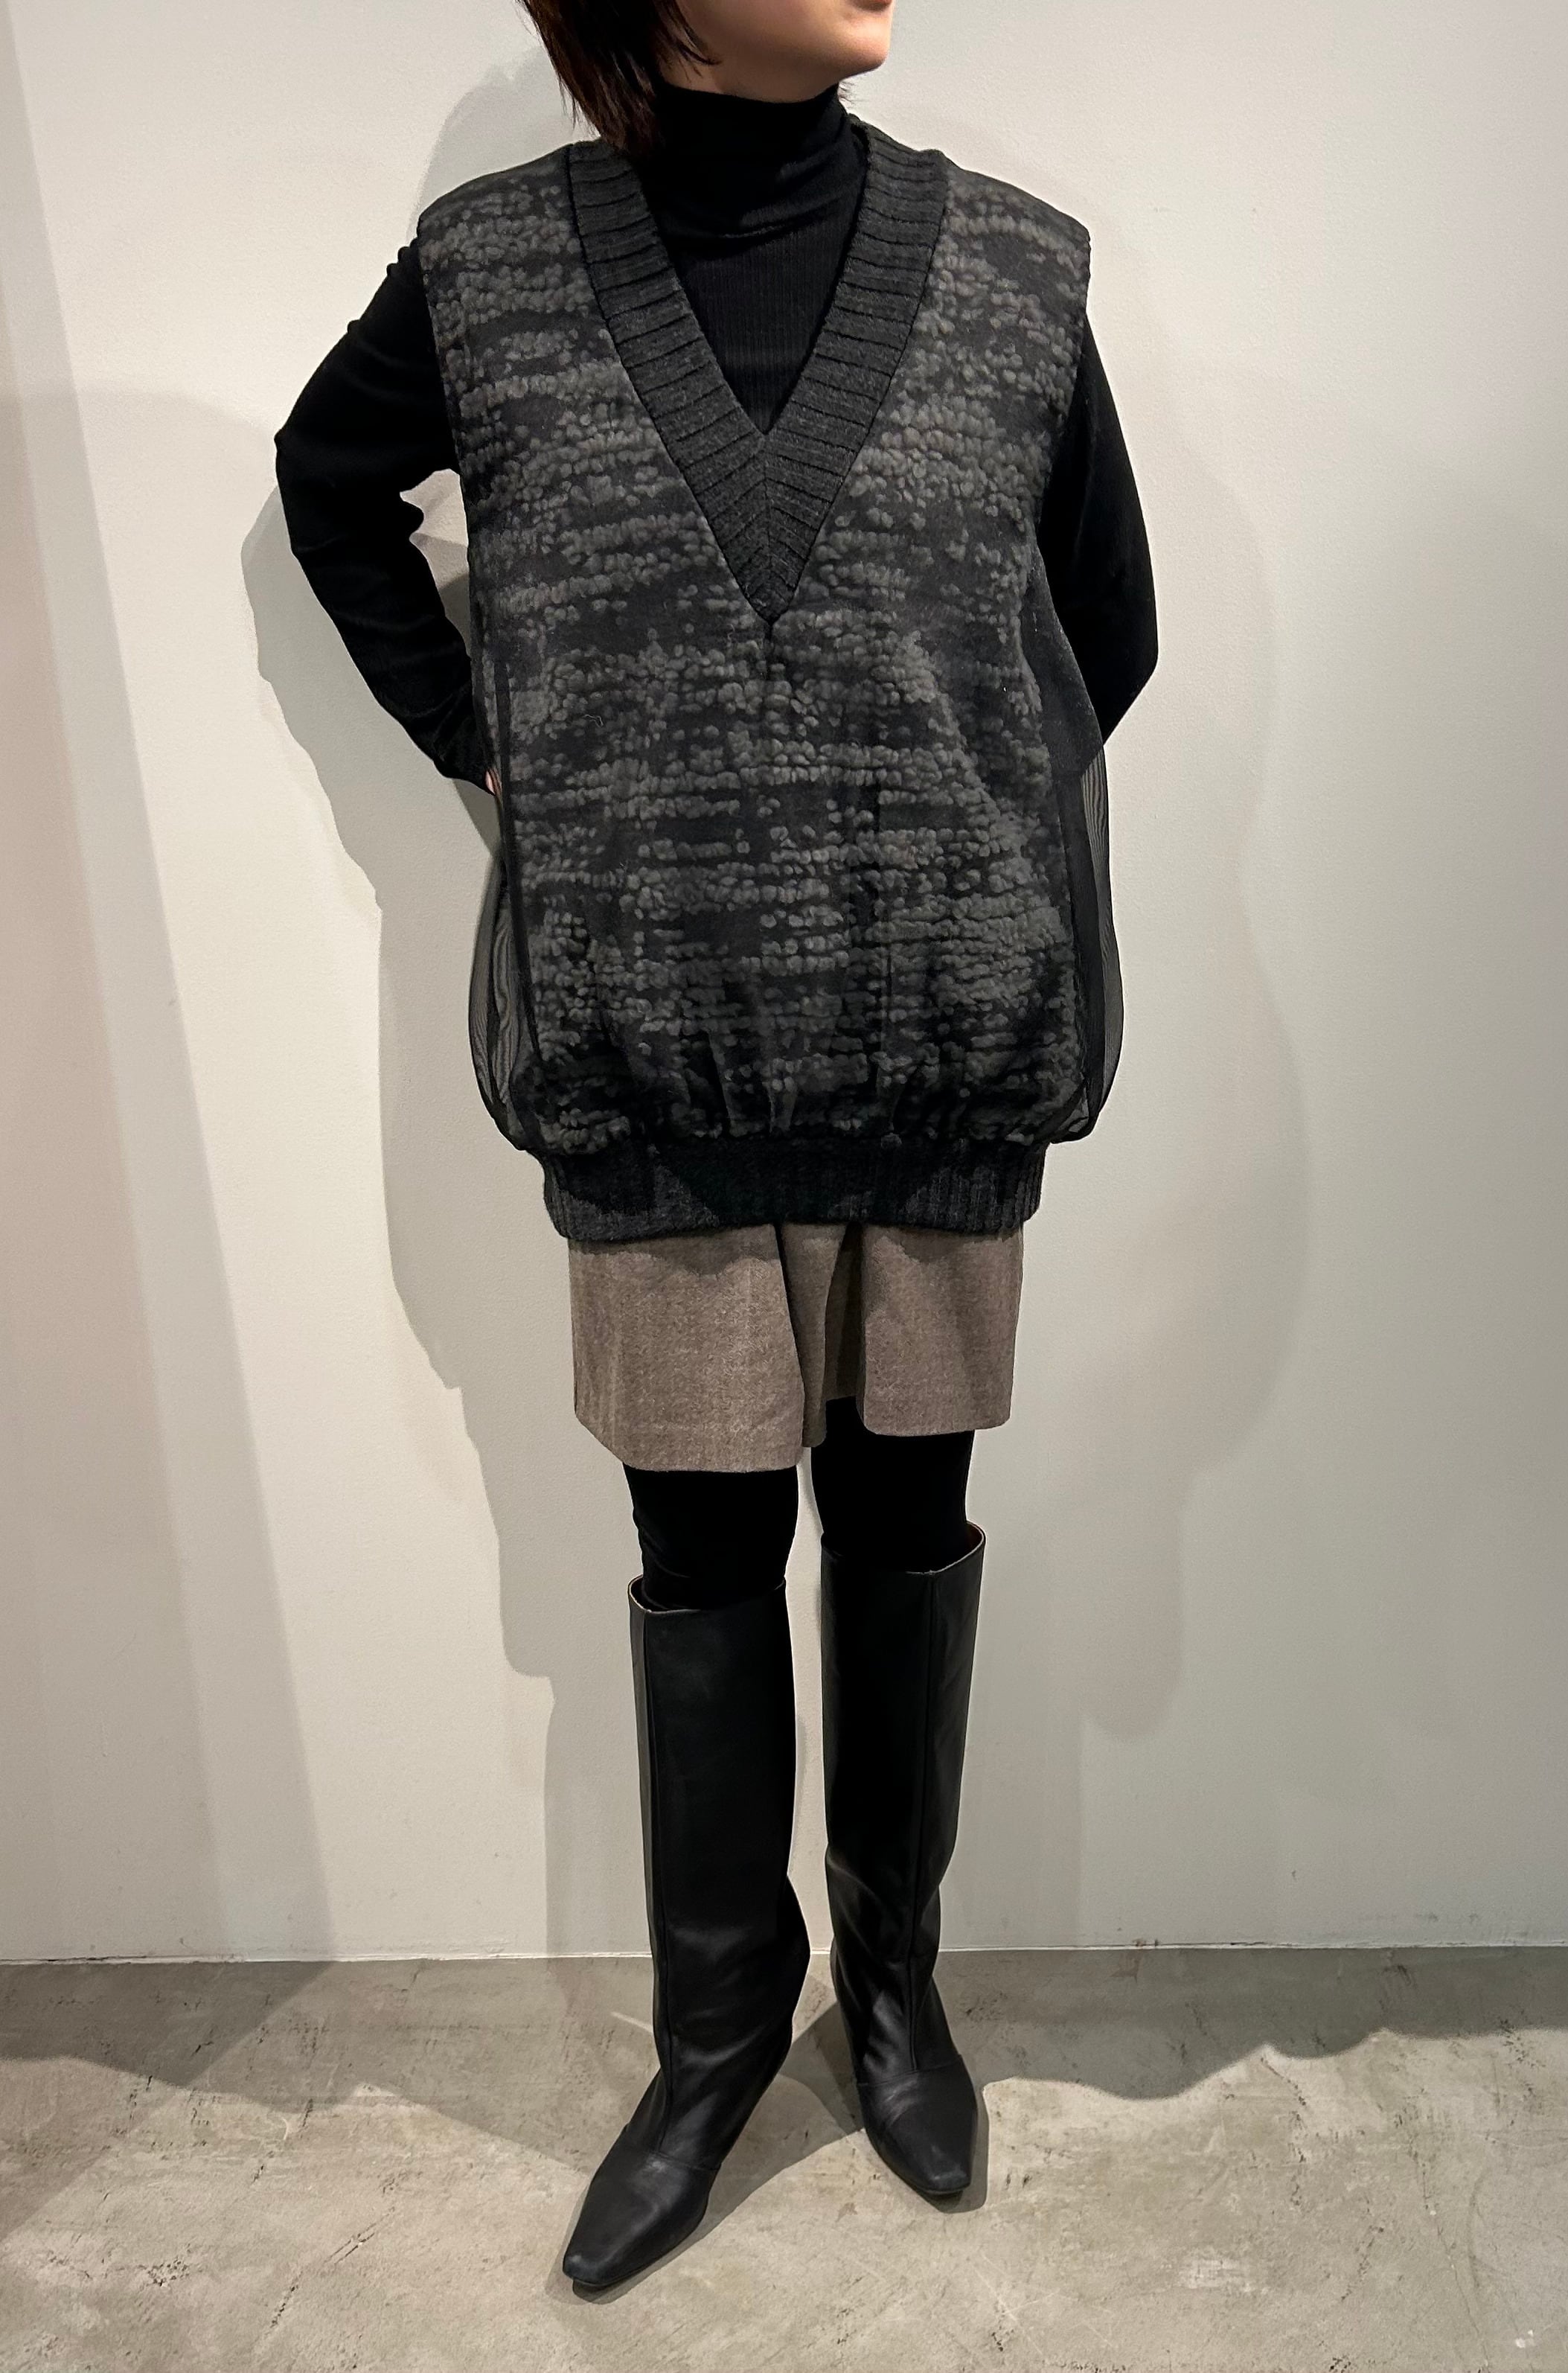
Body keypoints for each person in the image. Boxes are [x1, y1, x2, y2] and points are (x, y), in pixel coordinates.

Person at [274, 0, 1156, 2295]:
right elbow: (326, 481)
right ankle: (716, 2027)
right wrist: (497, 737)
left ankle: (895, 1987)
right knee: (699, 1547)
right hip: (658, 1057)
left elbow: (1109, 630)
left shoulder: (1011, 272)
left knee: (906, 1519)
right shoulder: (488, 278)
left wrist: (927, 809)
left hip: (933, 1051)